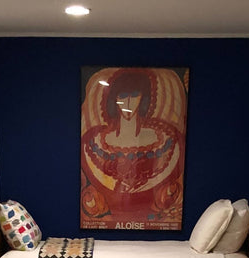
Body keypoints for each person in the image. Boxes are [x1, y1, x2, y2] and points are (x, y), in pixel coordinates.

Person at [80, 67, 187, 229]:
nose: (128, 103)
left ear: (143, 98)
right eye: (122, 96)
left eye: (135, 95)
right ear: (114, 99)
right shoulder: (95, 141)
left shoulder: (165, 138)